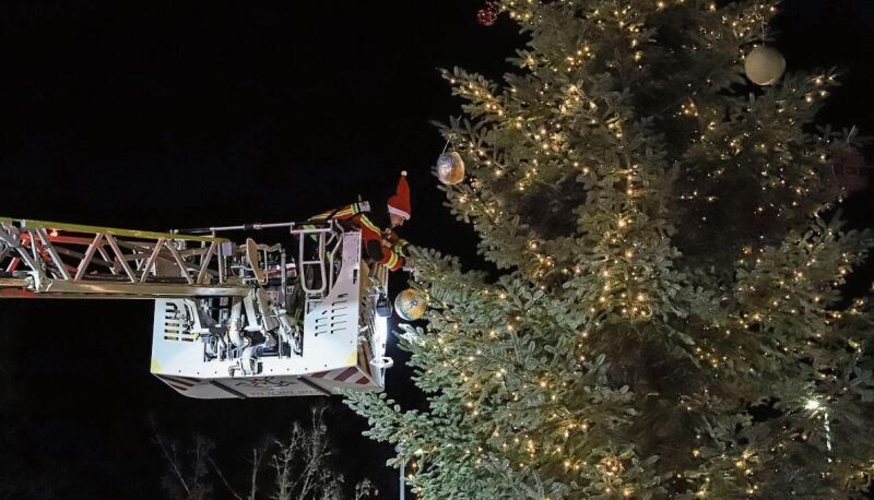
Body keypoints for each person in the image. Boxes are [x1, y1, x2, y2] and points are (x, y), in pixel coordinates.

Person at [308, 171, 412, 271]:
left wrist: (408, 249)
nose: (401, 223)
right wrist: (402, 263)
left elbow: (390, 237)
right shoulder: (373, 218)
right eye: (401, 218)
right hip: (314, 231)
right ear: (393, 212)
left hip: (325, 234)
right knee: (332, 270)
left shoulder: (378, 215)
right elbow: (376, 252)